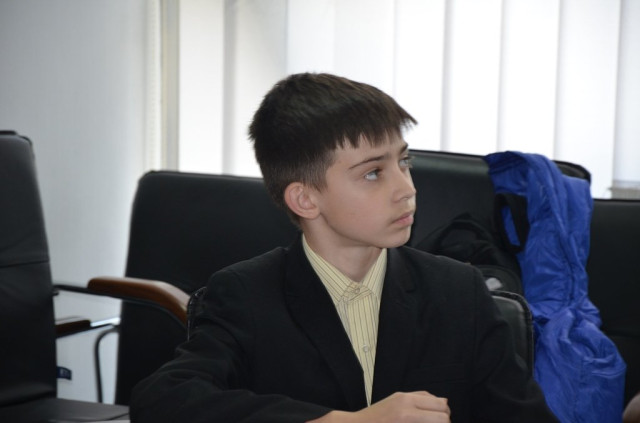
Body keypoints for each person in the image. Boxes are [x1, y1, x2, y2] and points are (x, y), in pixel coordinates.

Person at [131, 73, 558, 422]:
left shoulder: (457, 290)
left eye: (403, 162)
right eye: (373, 173)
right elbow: (163, 401)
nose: (406, 188)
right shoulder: (246, 295)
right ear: (305, 199)